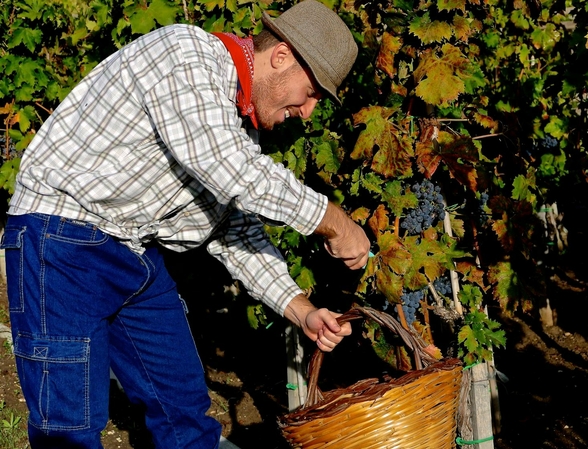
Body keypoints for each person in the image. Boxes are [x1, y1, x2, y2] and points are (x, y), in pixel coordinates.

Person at [0, 0, 370, 448]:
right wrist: (335, 223)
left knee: (184, 412)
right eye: (311, 93)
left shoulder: (234, 123)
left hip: (132, 250)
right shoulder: (187, 56)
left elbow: (233, 229)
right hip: (63, 240)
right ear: (281, 56)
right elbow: (235, 172)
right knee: (70, 428)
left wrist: (301, 309)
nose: (308, 111)